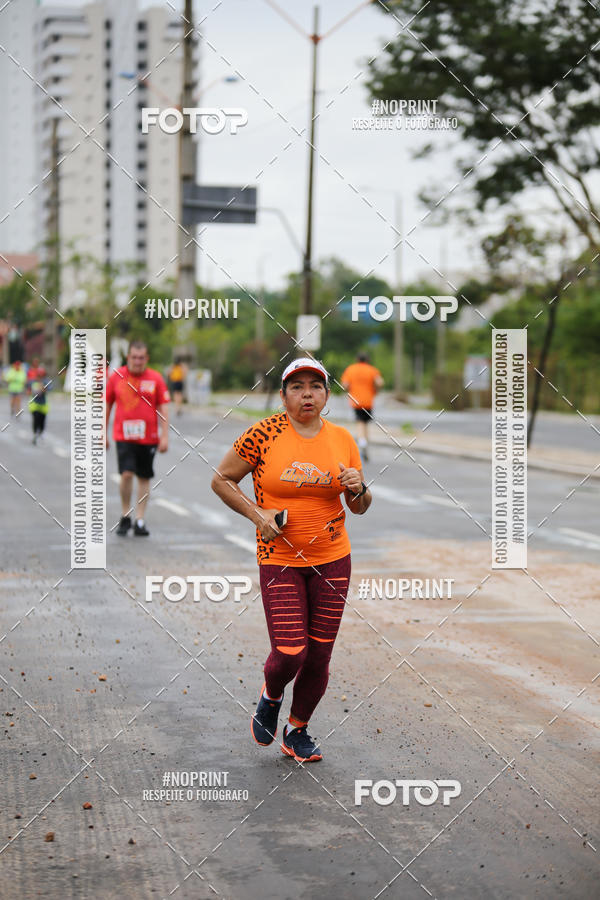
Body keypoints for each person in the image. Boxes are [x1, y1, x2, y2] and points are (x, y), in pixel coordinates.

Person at [211, 357, 372, 763]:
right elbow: (221, 479)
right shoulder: (262, 434)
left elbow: (360, 507)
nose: (307, 395)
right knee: (290, 652)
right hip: (279, 556)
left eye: (315, 387)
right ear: (283, 395)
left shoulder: (342, 440)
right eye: (297, 387)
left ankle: (297, 729)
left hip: (333, 559)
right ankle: (271, 695)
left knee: (319, 654)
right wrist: (257, 514)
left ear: (327, 395)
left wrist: (359, 488)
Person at [105, 340, 170, 536]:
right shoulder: (117, 377)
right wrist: (102, 433)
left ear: (146, 359)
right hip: (123, 435)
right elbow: (106, 404)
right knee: (126, 474)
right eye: (134, 357)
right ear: (128, 357)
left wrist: (164, 435)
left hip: (148, 438)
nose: (137, 361)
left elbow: (163, 407)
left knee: (144, 477)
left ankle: (139, 520)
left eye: (141, 358)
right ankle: (126, 514)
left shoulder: (156, 379)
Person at [340, 353, 384, 461]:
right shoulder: (372, 370)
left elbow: (344, 385)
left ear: (357, 359)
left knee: (360, 422)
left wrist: (349, 389)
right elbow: (380, 382)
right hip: (368, 401)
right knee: (365, 423)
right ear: (367, 360)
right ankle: (365, 443)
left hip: (355, 400)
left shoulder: (351, 369)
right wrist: (375, 389)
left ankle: (362, 442)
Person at [27, 362, 49, 444]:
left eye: (41, 375)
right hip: (34, 404)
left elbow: (48, 390)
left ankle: (41, 432)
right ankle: (35, 434)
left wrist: (43, 388)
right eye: (38, 375)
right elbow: (28, 389)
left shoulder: (46, 382)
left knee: (42, 421)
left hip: (43, 404)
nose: (39, 377)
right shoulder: (32, 382)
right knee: (36, 419)